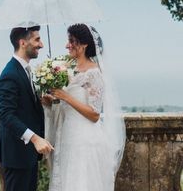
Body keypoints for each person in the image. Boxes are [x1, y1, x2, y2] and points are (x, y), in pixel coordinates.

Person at [43, 23, 126, 191]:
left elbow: (95, 115)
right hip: (66, 136)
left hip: (84, 140)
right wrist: (51, 101)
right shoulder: (67, 69)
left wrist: (65, 96)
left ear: (85, 44)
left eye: (72, 41)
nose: (67, 45)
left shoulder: (94, 73)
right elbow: (64, 103)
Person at [0, 24, 54, 191]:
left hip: (27, 155)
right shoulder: (10, 74)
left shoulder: (25, 70)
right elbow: (7, 115)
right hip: (17, 156)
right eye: (37, 39)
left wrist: (40, 100)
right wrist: (36, 139)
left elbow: (23, 105)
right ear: (23, 43)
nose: (41, 45)